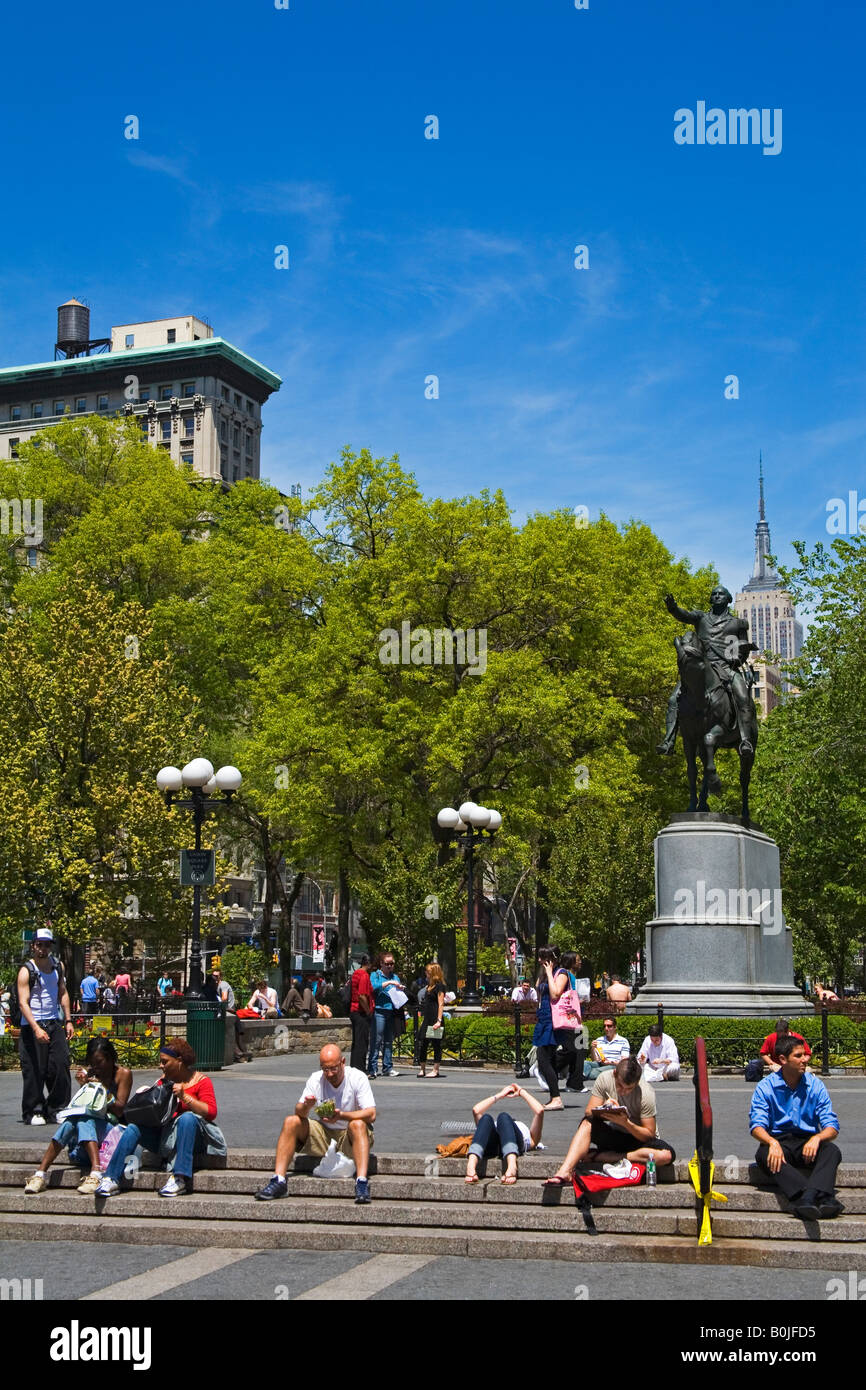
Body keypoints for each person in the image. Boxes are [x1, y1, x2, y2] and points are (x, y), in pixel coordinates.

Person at [96, 1037, 225, 1198]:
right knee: (133, 1128)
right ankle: (111, 1178)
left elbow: (211, 1112)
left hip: (194, 1138)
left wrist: (186, 1098)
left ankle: (180, 1178)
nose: (161, 1066)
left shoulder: (201, 1081)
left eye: (165, 1062)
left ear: (179, 1061)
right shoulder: (163, 1083)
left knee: (187, 1118)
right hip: (166, 1137)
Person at [255, 1044, 376, 1205]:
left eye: (333, 1068)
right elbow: (299, 1111)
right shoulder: (316, 1079)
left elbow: (371, 1114)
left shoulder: (357, 1077)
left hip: (350, 1137)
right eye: (325, 1069)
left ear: (343, 1062)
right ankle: (279, 1180)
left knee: (358, 1124)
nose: (329, 1074)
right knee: (291, 1121)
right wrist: (307, 1105)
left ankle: (361, 1182)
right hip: (324, 1135)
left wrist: (342, 1115)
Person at [749, 1035, 843, 1221]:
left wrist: (817, 1138)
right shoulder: (766, 1087)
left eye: (805, 1055)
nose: (805, 1059)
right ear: (783, 1060)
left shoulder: (815, 1085)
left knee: (832, 1151)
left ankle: (805, 1198)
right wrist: (771, 1142)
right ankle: (822, 1196)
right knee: (764, 1155)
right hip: (779, 1141)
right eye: (799, 1056)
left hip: (807, 1142)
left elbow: (832, 1126)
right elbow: (756, 1126)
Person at [543, 1056, 676, 1185]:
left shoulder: (646, 1093)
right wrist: (605, 1108)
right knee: (586, 1123)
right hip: (616, 1136)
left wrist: (626, 1123)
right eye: (620, 1086)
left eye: (629, 1089)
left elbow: (649, 1135)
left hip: (640, 1141)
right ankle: (565, 1171)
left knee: (666, 1156)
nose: (623, 1092)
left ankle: (603, 1156)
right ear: (614, 1074)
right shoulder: (604, 1079)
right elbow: (589, 1112)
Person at [24, 1038, 133, 1195]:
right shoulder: (92, 1073)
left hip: (112, 1134)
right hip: (88, 1137)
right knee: (74, 1120)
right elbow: (86, 1106)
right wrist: (84, 1086)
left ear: (110, 1058)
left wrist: (102, 1089)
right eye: (92, 1062)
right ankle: (40, 1174)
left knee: (83, 1120)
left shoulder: (123, 1074)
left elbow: (119, 1110)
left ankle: (95, 1173)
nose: (96, 1066)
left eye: (99, 1062)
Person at [17, 928, 75, 1126]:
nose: (43, 948)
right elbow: (23, 1002)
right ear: (33, 946)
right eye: (39, 944)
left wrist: (68, 1020)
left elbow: (63, 993)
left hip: (53, 1022)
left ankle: (57, 1108)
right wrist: (35, 1028)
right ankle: (33, 1110)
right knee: (34, 1069)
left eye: (47, 944)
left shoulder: (58, 966)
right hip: (32, 1025)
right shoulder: (27, 970)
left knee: (60, 1064)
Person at [465, 1083, 545, 1185]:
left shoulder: (531, 1138)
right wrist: (500, 1095)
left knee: (503, 1117)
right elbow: (476, 1110)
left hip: (513, 1145)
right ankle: (471, 1164)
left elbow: (540, 1111)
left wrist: (521, 1092)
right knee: (486, 1118)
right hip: (493, 1144)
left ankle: (512, 1165)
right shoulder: (493, 1126)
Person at [531, 948, 574, 1112]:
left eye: (543, 958)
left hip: (554, 1020)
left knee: (543, 1060)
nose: (540, 961)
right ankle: (554, 1097)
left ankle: (556, 1098)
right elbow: (538, 990)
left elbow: (555, 994)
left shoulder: (561, 973)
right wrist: (544, 973)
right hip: (544, 1018)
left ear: (552, 958)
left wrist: (549, 973)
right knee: (545, 1060)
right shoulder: (544, 973)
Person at [367, 953, 405, 1079]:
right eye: (387, 964)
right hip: (379, 1011)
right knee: (376, 1040)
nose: (389, 966)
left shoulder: (395, 977)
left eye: (391, 964)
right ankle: (372, 1069)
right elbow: (372, 987)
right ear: (381, 964)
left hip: (391, 1011)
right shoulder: (376, 975)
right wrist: (389, 983)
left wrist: (400, 988)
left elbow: (398, 991)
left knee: (389, 1041)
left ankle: (387, 1067)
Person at [417, 962, 446, 1078]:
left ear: (433, 973)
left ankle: (435, 1069)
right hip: (427, 1018)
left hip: (435, 1018)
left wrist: (439, 1020)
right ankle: (422, 1068)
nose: (426, 973)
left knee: (436, 1044)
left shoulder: (440, 986)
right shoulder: (428, 986)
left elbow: (441, 1004)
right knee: (423, 1042)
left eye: (428, 971)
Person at [349, 956, 374, 1072]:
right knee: (362, 1043)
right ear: (368, 964)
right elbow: (362, 995)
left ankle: (354, 1068)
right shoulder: (364, 975)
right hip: (361, 1012)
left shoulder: (355, 973)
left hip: (354, 1011)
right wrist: (368, 1011)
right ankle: (360, 1070)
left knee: (356, 1042)